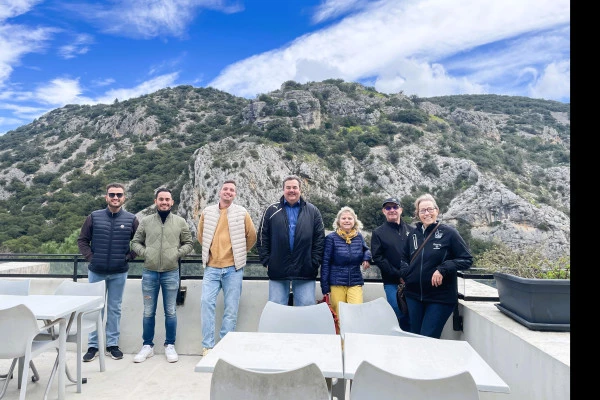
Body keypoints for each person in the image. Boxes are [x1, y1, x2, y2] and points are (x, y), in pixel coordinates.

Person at [130, 187, 194, 363]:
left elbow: (189, 243)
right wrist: (146, 253)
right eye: (161, 199)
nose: (164, 202)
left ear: (172, 202)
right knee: (148, 312)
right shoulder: (146, 221)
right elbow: (135, 242)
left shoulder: (180, 222)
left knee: (171, 312)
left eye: (167, 199)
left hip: (171, 272)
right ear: (155, 201)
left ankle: (170, 345)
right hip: (149, 272)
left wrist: (176, 253)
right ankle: (147, 346)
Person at [77, 183, 139, 362]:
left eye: (119, 195)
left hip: (119, 272)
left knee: (115, 308)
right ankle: (93, 346)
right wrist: (91, 258)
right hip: (96, 271)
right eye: (112, 194)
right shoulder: (94, 217)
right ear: (106, 197)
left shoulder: (131, 219)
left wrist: (128, 257)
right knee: (95, 309)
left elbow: (141, 242)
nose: (115, 197)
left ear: (124, 198)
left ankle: (112, 345)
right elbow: (82, 240)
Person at [400, 193, 473, 338]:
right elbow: (403, 258)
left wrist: (443, 269)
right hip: (413, 296)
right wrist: (406, 273)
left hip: (439, 298)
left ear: (437, 210)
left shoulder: (449, 233)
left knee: (428, 338)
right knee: (414, 337)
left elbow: (467, 259)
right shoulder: (413, 235)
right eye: (422, 210)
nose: (427, 213)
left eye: (430, 209)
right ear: (417, 214)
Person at [197, 180, 257, 357]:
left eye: (232, 190)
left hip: (233, 268)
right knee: (206, 303)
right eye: (225, 189)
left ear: (235, 194)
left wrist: (239, 252)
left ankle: (225, 346)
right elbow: (201, 236)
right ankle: (207, 346)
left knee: (231, 308)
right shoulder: (207, 212)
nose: (228, 192)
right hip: (211, 267)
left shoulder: (242, 213)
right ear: (219, 192)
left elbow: (251, 236)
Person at [257, 175, 325, 306]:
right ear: (283, 190)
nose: (291, 190)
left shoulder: (313, 211)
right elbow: (262, 237)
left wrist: (314, 262)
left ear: (300, 190)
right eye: (288, 187)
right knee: (276, 308)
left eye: (295, 187)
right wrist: (267, 261)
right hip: (278, 269)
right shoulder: (271, 210)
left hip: (305, 270)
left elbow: (320, 239)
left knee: (306, 308)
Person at [370, 197, 412, 332]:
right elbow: (378, 257)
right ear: (384, 211)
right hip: (391, 282)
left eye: (395, 207)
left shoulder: (412, 230)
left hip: (412, 281)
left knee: (412, 315)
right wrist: (398, 274)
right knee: (397, 313)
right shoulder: (378, 233)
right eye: (388, 208)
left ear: (401, 209)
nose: (392, 210)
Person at [320, 206, 371, 318]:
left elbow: (366, 249)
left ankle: (353, 336)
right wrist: (325, 287)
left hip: (355, 281)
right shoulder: (331, 238)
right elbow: (325, 263)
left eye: (350, 218)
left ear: (354, 221)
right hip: (336, 282)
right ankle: (339, 336)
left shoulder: (359, 237)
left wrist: (366, 258)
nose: (347, 220)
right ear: (338, 221)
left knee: (356, 313)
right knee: (338, 316)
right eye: (344, 218)